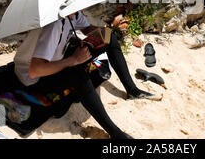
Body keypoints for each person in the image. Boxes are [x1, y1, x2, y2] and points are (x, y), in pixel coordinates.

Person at [13, 10, 155, 139]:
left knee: (107, 36)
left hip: (57, 57)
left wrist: (102, 32)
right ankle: (115, 133)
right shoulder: (53, 26)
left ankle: (132, 91)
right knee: (77, 74)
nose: (82, 9)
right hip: (34, 78)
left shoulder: (72, 12)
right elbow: (35, 70)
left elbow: (86, 28)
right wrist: (73, 60)